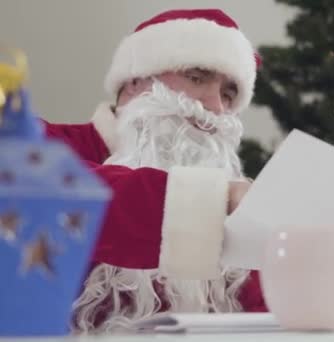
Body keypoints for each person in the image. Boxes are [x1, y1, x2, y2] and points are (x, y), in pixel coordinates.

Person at [43, 9, 266, 332]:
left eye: (228, 94)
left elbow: (268, 314)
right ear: (134, 82)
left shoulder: (234, 206)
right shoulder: (45, 147)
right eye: (197, 77)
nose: (215, 107)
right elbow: (65, 194)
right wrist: (211, 199)